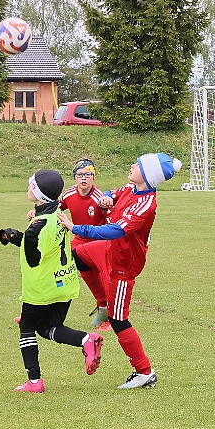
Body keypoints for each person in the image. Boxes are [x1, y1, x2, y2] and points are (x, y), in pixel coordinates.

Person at [58, 153, 182, 389]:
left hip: (123, 264)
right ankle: (102, 303)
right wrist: (105, 197)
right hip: (108, 250)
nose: (132, 166)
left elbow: (115, 230)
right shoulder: (130, 187)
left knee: (119, 320)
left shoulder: (146, 203)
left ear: (147, 175)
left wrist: (76, 228)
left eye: (137, 165)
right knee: (79, 254)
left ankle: (144, 372)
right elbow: (112, 193)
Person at [0, 169, 103, 393]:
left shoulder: (38, 225)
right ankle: (87, 339)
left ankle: (34, 381)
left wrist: (25, 238)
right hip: (64, 283)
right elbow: (47, 245)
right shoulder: (58, 214)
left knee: (27, 327)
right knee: (48, 328)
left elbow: (33, 259)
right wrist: (18, 236)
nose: (28, 188)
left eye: (31, 185)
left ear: (39, 194)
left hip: (41, 289)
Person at [22, 159, 111, 331]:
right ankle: (35, 314)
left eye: (87, 174)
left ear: (94, 176)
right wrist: (36, 211)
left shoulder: (100, 198)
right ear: (75, 177)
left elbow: (111, 222)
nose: (83, 178)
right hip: (78, 240)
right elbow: (54, 207)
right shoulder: (69, 193)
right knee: (58, 272)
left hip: (98, 240)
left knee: (106, 278)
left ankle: (109, 316)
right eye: (79, 175)